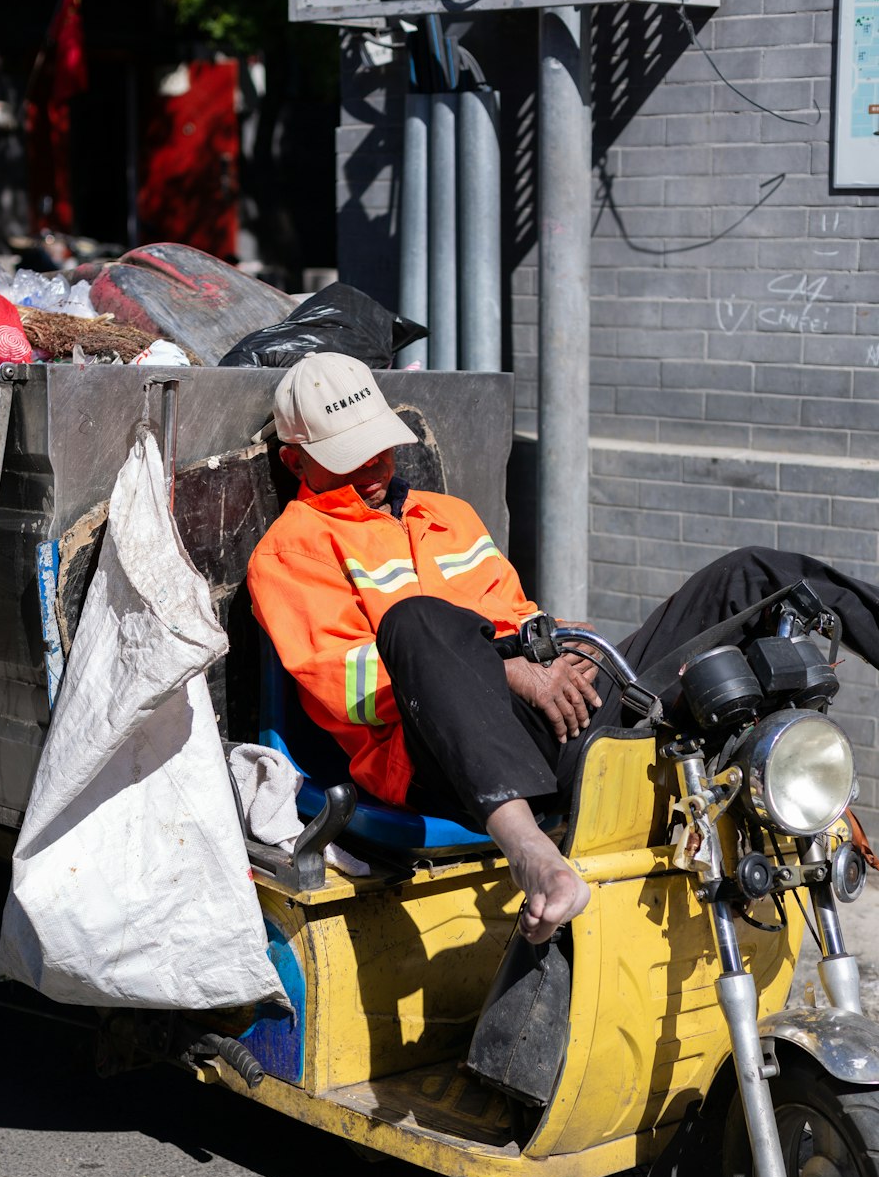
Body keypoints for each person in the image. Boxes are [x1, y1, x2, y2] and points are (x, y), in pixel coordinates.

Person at [248, 352, 879, 943]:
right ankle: (532, 854)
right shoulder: (290, 549)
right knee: (416, 620)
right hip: (439, 756)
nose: (374, 468)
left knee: (753, 574)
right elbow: (361, 694)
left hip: (556, 722)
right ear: (295, 462)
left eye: (377, 448)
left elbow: (520, 616)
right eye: (348, 457)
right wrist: (510, 672)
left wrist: (568, 654)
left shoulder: (449, 516)